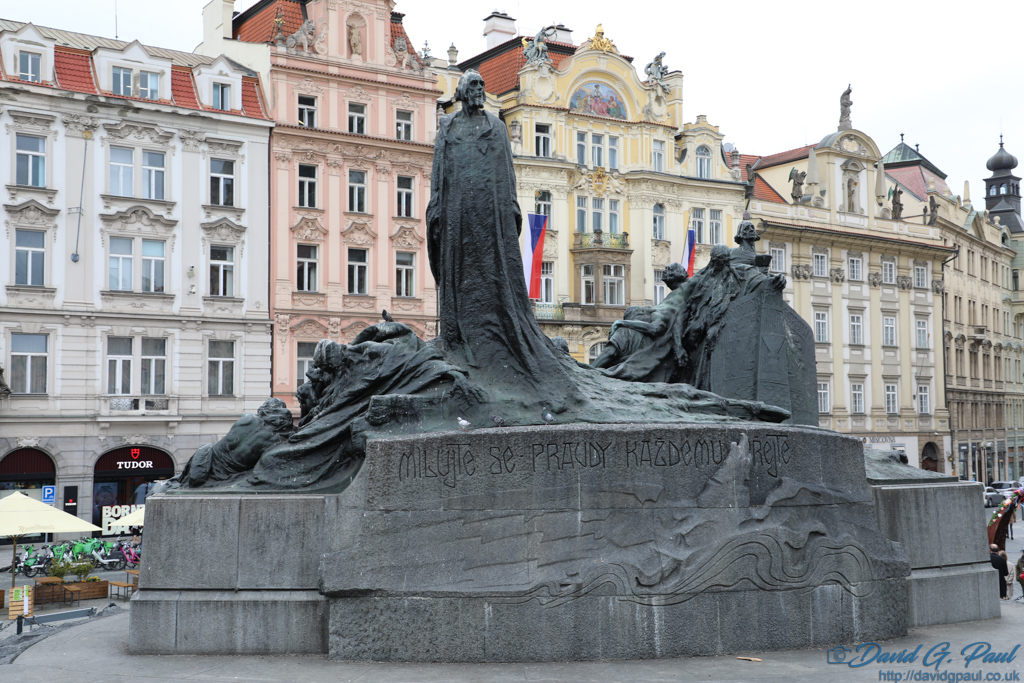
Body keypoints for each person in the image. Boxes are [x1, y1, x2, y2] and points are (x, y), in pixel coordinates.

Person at [427, 69, 572, 403]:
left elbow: (506, 172)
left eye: (481, 85)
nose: (479, 89)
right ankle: (460, 339)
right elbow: (439, 172)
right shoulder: (448, 128)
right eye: (473, 85)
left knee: (495, 273)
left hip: (489, 212)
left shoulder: (497, 128)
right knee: (460, 273)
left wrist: (510, 208)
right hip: (458, 211)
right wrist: (437, 207)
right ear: (461, 92)